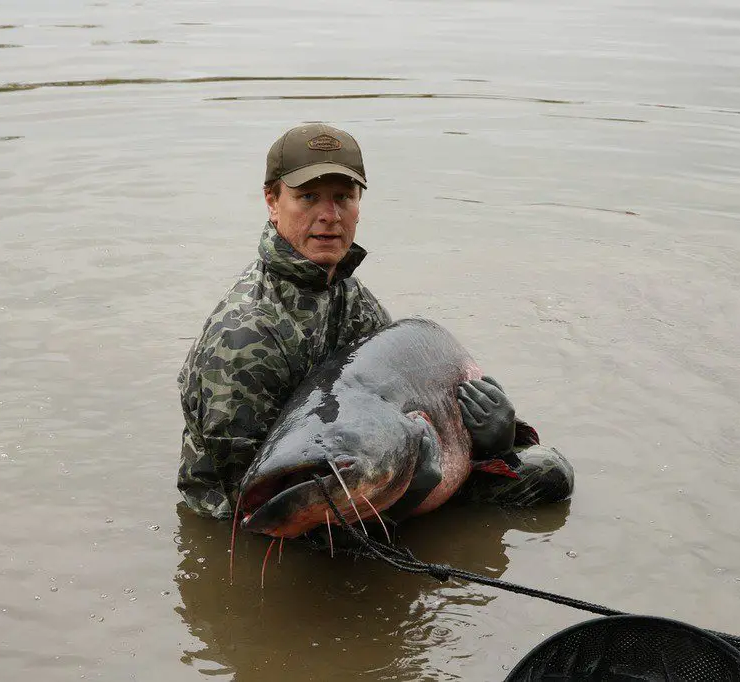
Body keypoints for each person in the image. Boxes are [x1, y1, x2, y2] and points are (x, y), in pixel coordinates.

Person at [177, 123, 572, 521]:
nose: (329, 216)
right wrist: (403, 499)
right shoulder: (244, 335)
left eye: (343, 198)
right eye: (308, 197)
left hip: (358, 473)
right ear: (272, 201)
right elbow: (249, 501)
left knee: (548, 475)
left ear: (358, 205)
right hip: (268, 514)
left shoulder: (348, 294)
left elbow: (387, 403)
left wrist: (496, 436)